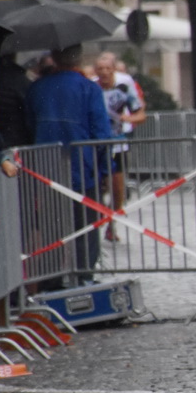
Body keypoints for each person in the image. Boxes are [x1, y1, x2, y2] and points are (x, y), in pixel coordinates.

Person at [25, 44, 112, 282]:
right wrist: (105, 169)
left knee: (53, 228)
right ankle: (84, 277)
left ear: (53, 56)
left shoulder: (37, 88)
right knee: (86, 228)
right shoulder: (88, 88)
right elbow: (101, 133)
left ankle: (52, 280)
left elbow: (31, 126)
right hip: (83, 167)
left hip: (46, 167)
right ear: (80, 58)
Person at [94, 52, 145, 241]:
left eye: (108, 69)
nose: (104, 73)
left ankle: (111, 224)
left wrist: (128, 118)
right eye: (100, 69)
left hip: (118, 143)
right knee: (99, 185)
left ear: (114, 69)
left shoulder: (124, 84)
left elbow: (140, 114)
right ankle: (98, 217)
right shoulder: (92, 86)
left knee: (117, 188)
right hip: (97, 145)